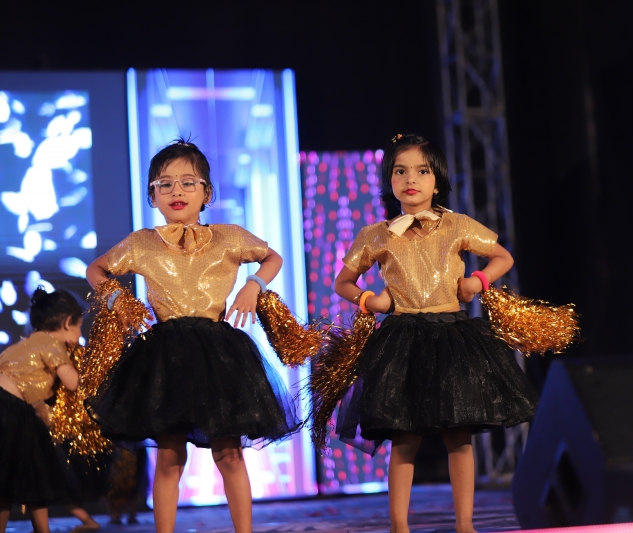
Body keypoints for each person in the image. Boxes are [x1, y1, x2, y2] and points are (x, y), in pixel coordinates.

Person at [84, 139, 300, 533]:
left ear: (207, 193)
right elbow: (95, 269)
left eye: (187, 182)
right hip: (164, 357)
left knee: (229, 453)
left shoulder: (229, 236)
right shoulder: (142, 242)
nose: (176, 191)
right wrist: (117, 299)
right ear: (152, 196)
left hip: (219, 356)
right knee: (169, 457)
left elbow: (273, 257)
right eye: (164, 184)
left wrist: (254, 285)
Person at [331, 133, 538, 533]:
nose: (411, 179)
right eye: (400, 171)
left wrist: (478, 281)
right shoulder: (377, 234)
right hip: (403, 339)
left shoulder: (456, 225)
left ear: (437, 181)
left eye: (422, 171)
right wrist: (369, 299)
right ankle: (399, 525)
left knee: (458, 435)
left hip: (452, 336)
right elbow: (343, 282)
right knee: (404, 437)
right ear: (390, 180)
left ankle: (465, 525)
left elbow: (502, 256)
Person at [0, 288, 83, 533]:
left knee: (31, 472)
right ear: (67, 322)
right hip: (9, 410)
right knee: (9, 479)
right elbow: (72, 383)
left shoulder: (22, 344)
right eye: (80, 327)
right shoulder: (50, 342)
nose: (80, 335)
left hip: (15, 410)